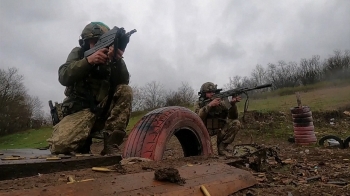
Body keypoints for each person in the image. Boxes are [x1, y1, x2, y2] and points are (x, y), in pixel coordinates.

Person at [47, 22, 133, 155]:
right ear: (85, 43)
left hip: (102, 112)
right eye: (91, 42)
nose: (95, 46)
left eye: (98, 42)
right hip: (79, 111)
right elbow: (63, 76)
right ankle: (81, 140)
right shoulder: (78, 53)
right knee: (60, 146)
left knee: (126, 90)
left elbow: (123, 82)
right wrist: (88, 61)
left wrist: (116, 61)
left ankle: (111, 144)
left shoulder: (112, 59)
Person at [194, 82, 241, 157]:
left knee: (236, 123)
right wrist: (209, 106)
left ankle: (222, 148)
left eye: (213, 92)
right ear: (203, 94)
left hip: (220, 132)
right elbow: (197, 118)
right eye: (209, 92)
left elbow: (233, 116)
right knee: (211, 156)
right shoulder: (199, 103)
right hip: (207, 135)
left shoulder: (221, 102)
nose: (212, 94)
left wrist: (232, 104)